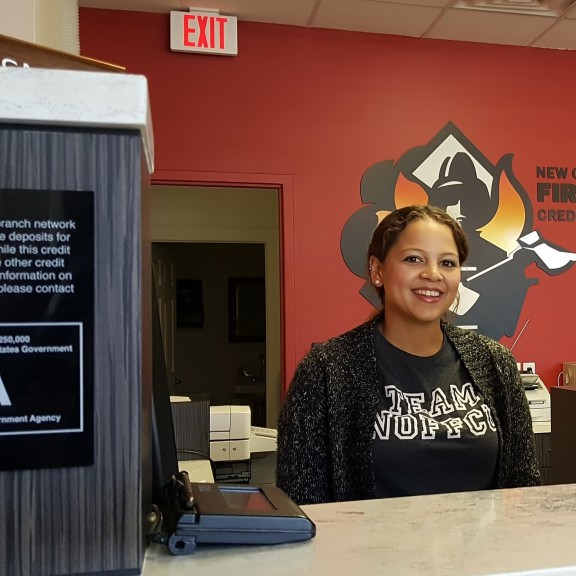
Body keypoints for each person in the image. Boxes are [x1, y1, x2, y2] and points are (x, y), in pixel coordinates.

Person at [276, 204, 541, 505]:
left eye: (447, 263)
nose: (433, 274)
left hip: (484, 551)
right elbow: (299, 503)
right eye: (414, 259)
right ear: (377, 270)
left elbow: (525, 487)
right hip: (367, 552)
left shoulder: (494, 362)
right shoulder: (327, 370)